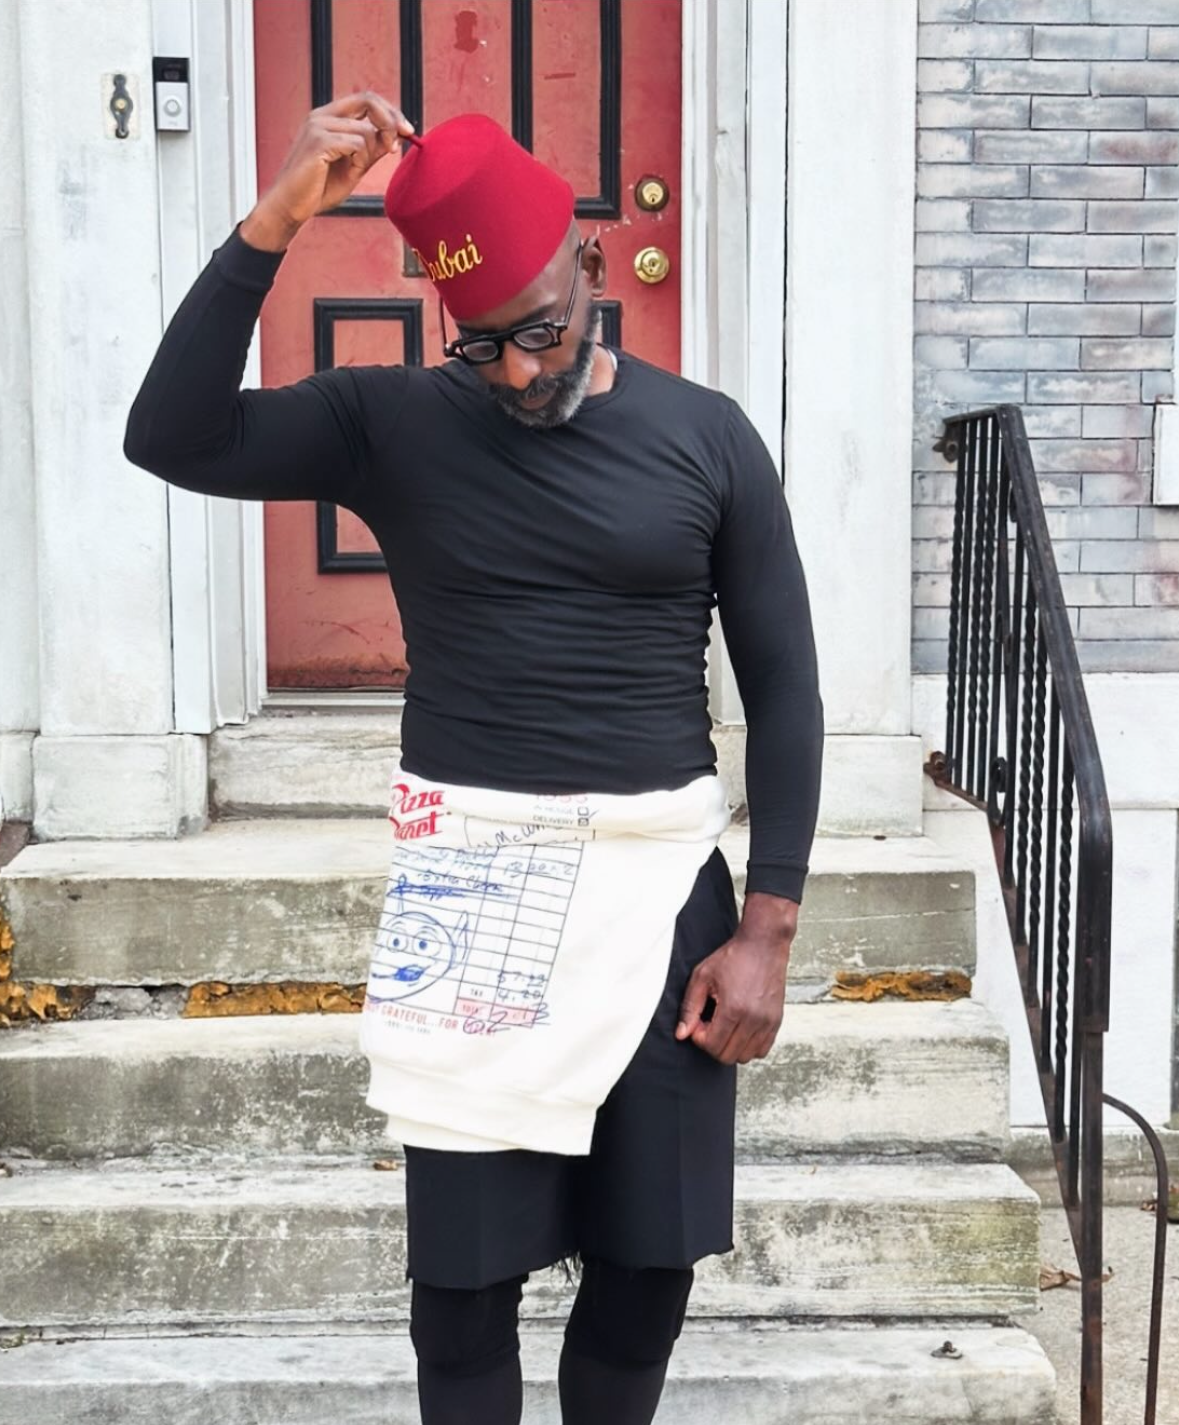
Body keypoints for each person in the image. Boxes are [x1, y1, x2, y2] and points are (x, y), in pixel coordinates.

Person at [125, 92, 823, 1425]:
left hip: (665, 899)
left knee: (642, 1278)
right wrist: (277, 219)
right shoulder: (390, 423)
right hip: (477, 908)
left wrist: (769, 931)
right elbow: (172, 435)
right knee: (460, 1299)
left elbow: (784, 688)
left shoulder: (707, 437)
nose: (515, 371)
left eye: (540, 332)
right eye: (484, 344)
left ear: (593, 268)